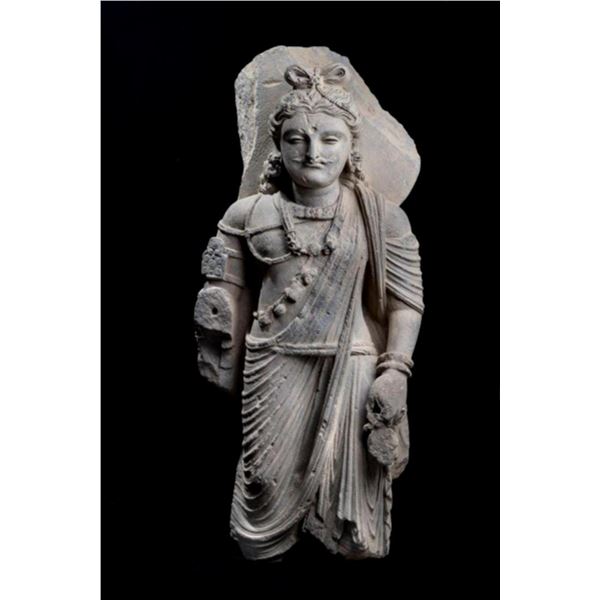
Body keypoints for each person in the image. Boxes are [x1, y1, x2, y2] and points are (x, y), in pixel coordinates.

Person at [194, 63, 424, 560]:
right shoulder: (247, 214)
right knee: (264, 480)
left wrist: (395, 370)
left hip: (352, 363)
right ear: (277, 147)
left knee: (348, 507)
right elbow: (222, 293)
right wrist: (214, 321)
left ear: (351, 146)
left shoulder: (381, 216)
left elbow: (406, 301)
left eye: (329, 139)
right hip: (272, 362)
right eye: (296, 139)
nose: (313, 152)